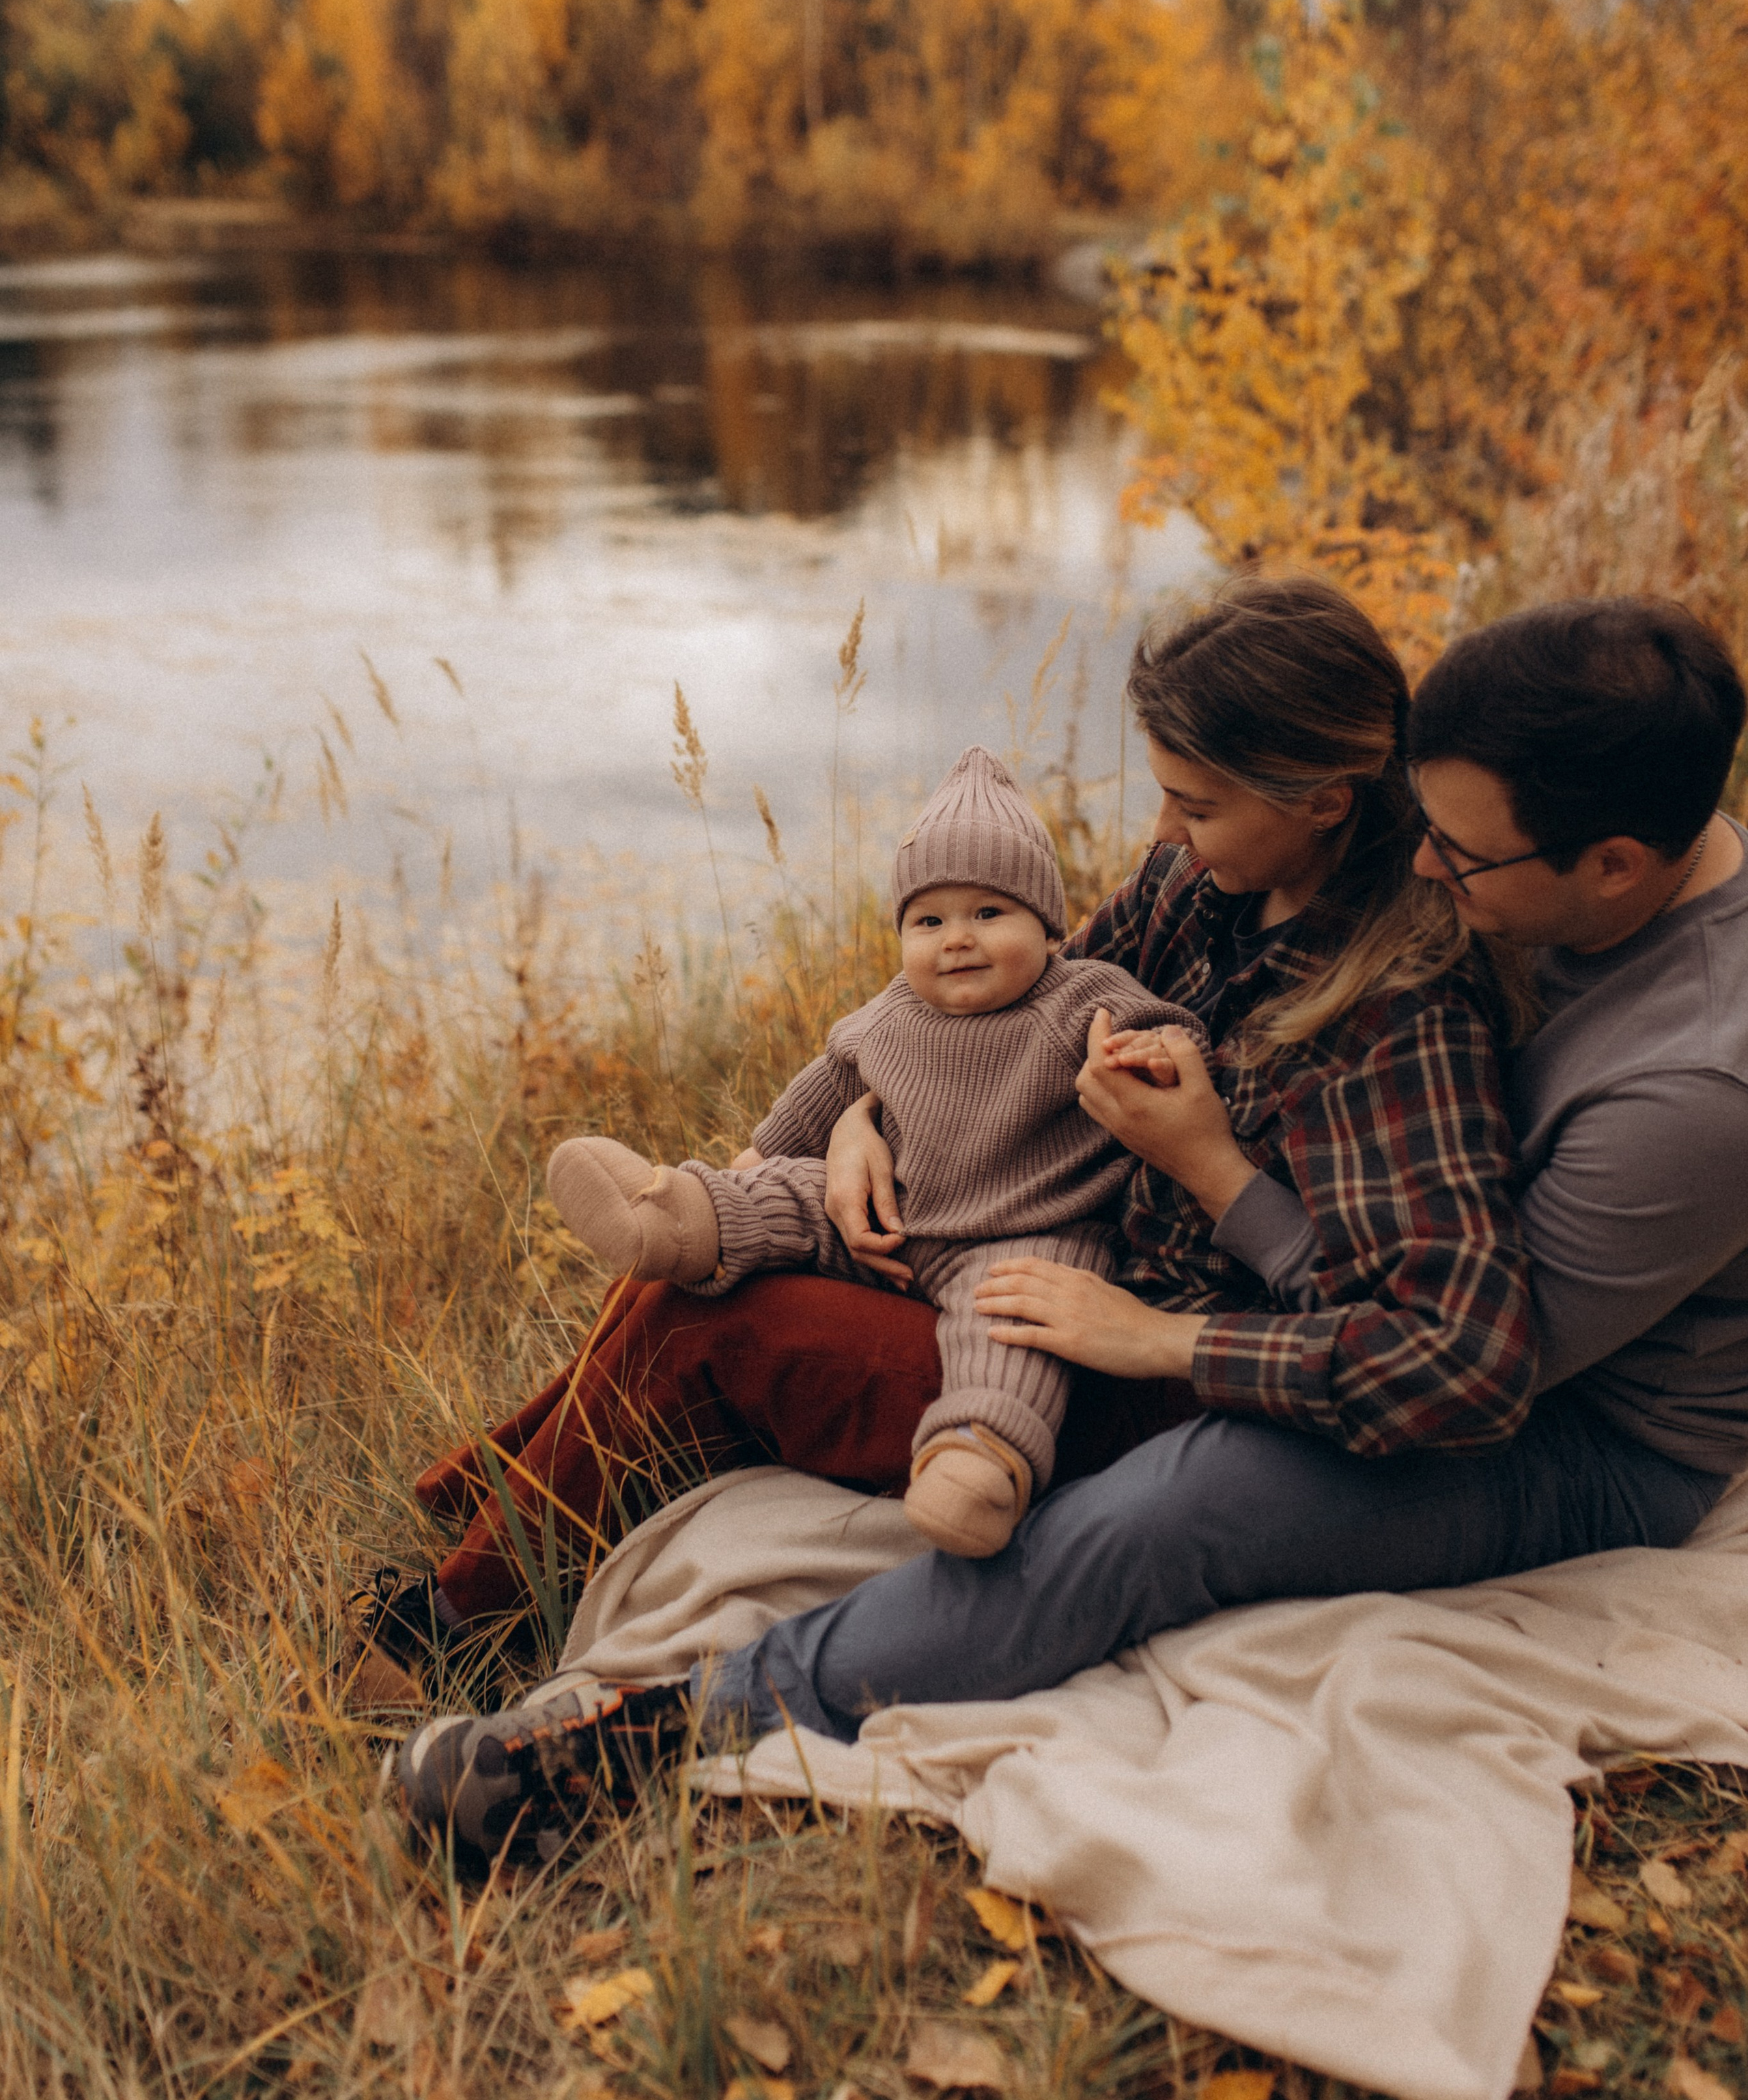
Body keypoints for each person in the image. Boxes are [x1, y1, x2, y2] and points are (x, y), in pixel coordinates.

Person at [394, 575, 1558, 1862]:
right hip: (1006, 1229)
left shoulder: (1398, 1013)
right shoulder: (1208, 884)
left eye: (1198, 800)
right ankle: (482, 1520)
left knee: (718, 1320)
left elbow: (1462, 1357)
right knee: (701, 1231)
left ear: (1325, 799)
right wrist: (864, 1125)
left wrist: (1205, 1200)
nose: (1164, 828)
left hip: (1110, 1357)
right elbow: (1004, 1011)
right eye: (1165, 791)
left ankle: (455, 1626)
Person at [542, 746, 1205, 1556]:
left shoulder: (1083, 996)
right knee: (790, 1192)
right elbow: (814, 1099)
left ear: (1048, 925)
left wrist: (1154, 1057)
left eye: (989, 914)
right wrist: (745, 1172)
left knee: (1006, 1337)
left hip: (1021, 1236)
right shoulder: (889, 1014)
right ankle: (673, 1214)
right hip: (891, 1221)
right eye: (929, 921)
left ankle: (974, 1457)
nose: (957, 939)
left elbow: (1169, 1032)